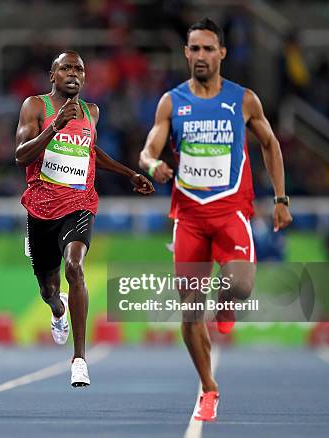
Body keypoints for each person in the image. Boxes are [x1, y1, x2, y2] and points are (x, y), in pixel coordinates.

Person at [138, 18, 292, 421]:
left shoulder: (243, 100)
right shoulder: (172, 102)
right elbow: (148, 149)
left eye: (209, 48)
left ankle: (225, 306)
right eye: (195, 49)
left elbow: (270, 145)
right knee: (189, 311)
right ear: (186, 53)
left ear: (222, 53)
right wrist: (153, 164)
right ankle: (208, 388)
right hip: (188, 217)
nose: (201, 56)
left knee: (240, 285)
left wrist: (280, 197)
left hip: (230, 212)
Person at [15, 50, 154, 386]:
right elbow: (21, 156)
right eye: (65, 68)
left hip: (80, 201)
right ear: (53, 75)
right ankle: (57, 308)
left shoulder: (92, 111)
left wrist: (128, 173)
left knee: (75, 266)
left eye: (79, 68)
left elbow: (90, 151)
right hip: (42, 206)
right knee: (48, 288)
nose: (73, 73)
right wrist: (55, 127)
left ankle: (79, 358)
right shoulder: (36, 107)